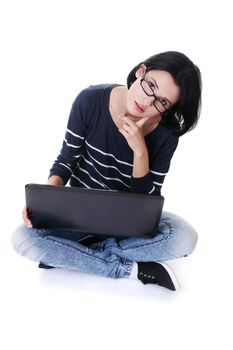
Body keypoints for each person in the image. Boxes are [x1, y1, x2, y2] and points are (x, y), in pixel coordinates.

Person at [12, 51, 202, 291]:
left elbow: (147, 205)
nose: (147, 102)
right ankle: (129, 269)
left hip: (128, 224)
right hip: (77, 216)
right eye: (150, 86)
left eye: (162, 102)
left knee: (185, 237)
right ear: (141, 71)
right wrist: (49, 200)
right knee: (23, 238)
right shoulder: (90, 100)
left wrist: (139, 152)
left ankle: (78, 254)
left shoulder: (166, 135)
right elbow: (66, 160)